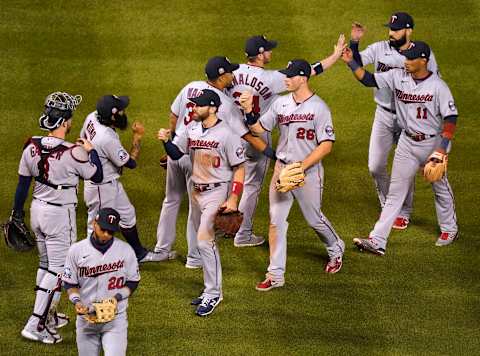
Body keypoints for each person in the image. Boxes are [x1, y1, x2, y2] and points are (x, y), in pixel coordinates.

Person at [227, 34, 346, 247]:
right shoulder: (272, 78)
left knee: (227, 179)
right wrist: (336, 55)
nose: (272, 52)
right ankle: (242, 234)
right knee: (252, 184)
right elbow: (310, 70)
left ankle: (223, 223)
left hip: (227, 133)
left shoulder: (231, 72)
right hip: (255, 134)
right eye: (269, 50)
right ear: (261, 55)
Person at [342, 41, 458, 254]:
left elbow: (451, 117)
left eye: (411, 58)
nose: (406, 61)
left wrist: (441, 149)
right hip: (406, 143)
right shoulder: (398, 76)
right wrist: (351, 62)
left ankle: (450, 228)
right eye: (405, 57)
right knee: (395, 193)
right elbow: (368, 80)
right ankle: (377, 240)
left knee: (439, 185)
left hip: (432, 143)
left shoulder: (438, 86)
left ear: (423, 61)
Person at [154, 56, 270, 269]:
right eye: (230, 73)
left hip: (176, 149)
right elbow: (247, 136)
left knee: (170, 200)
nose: (233, 76)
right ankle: (194, 257)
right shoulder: (223, 103)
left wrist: (171, 140)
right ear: (221, 76)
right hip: (197, 158)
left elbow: (173, 115)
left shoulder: (190, 87)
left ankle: (162, 249)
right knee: (195, 208)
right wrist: (270, 152)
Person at [239, 60, 345, 291]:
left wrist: (301, 167)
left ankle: (336, 247)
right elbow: (258, 129)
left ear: (303, 78)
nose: (285, 79)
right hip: (281, 168)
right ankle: (275, 274)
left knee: (314, 219)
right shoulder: (281, 104)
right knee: (276, 221)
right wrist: (248, 111)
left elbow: (326, 145)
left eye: (290, 75)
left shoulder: (319, 108)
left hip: (308, 172)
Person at [17, 92, 103, 344]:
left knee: (45, 265)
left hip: (36, 211)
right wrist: (92, 150)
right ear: (65, 122)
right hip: (58, 215)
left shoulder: (31, 144)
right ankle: (35, 323)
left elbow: (23, 183)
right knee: (59, 271)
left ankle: (49, 315)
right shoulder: (74, 151)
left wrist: (16, 212)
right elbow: (96, 176)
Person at [157, 89, 246, 316]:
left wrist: (234, 198)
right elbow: (177, 154)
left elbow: (239, 168)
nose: (193, 108)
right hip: (195, 191)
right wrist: (166, 143)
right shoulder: (193, 128)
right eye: (193, 105)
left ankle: (214, 293)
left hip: (217, 193)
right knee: (202, 243)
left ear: (213, 107)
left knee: (205, 242)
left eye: (199, 105)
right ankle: (209, 290)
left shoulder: (227, 134)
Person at [348, 12, 439, 230]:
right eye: (390, 28)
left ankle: (403, 211)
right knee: (375, 165)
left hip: (410, 116)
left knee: (407, 167)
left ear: (408, 31)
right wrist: (354, 42)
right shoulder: (380, 48)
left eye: (396, 29)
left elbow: (434, 84)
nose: (391, 32)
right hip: (384, 114)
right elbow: (358, 62)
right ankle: (389, 204)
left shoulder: (422, 53)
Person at [80, 95, 164, 263]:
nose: (124, 112)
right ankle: (89, 264)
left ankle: (139, 254)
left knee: (127, 215)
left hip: (107, 182)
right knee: (97, 226)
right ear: (112, 116)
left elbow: (81, 138)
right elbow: (130, 163)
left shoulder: (92, 117)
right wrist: (137, 137)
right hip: (100, 186)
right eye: (121, 110)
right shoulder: (106, 138)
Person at [63, 208, 140, 356]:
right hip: (86, 320)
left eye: (110, 232)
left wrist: (116, 298)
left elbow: (132, 281)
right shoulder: (76, 250)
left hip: (115, 320)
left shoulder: (125, 250)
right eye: (103, 229)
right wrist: (77, 302)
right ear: (94, 223)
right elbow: (70, 283)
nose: (106, 234)